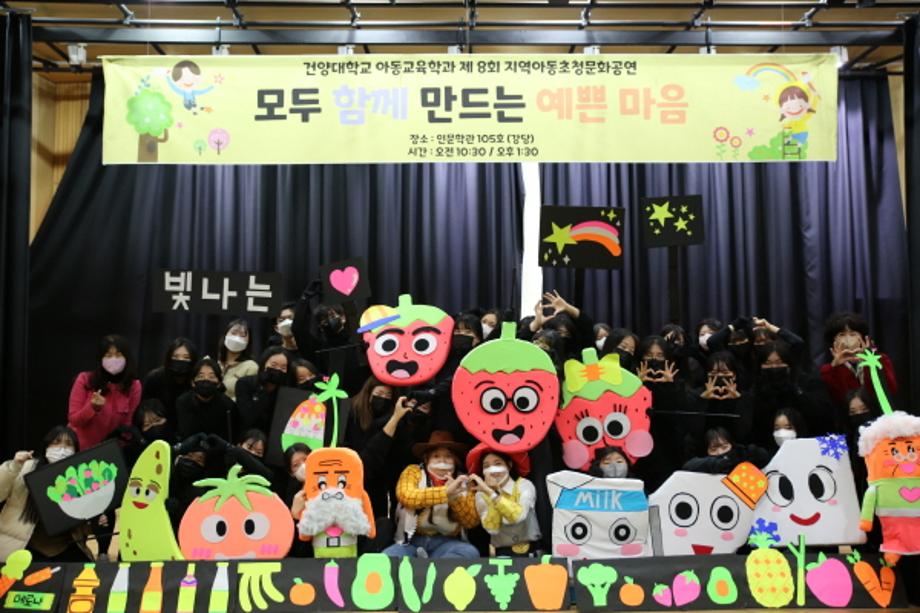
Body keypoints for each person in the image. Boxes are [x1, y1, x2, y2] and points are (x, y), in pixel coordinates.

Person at [0, 426, 92, 562]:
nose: (62, 449)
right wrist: (14, 466)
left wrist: (95, 520)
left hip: (64, 548)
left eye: (68, 444)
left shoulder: (80, 478)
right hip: (23, 547)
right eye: (56, 442)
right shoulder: (25, 468)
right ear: (46, 446)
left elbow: (85, 528)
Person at [384, 431, 480, 558]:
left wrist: (455, 498)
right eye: (436, 456)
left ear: (455, 460)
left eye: (448, 456)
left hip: (447, 542)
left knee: (469, 552)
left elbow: (471, 521)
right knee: (386, 558)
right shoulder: (413, 472)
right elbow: (406, 496)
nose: (442, 461)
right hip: (411, 542)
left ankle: (438, 568)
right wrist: (445, 493)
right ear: (426, 459)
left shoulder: (464, 480)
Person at [68, 334, 141, 451]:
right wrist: (92, 408)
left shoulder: (134, 386)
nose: (114, 359)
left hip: (111, 451)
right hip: (81, 450)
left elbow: (128, 425)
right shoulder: (85, 379)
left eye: (118, 355)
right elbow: (74, 420)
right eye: (108, 355)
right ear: (101, 359)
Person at [466, 446, 540, 556]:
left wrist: (493, 494)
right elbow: (492, 529)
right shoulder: (481, 495)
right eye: (486, 466)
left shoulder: (524, 485)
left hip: (532, 551)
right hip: (502, 554)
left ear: (509, 465)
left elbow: (518, 516)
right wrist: (490, 492)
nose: (492, 470)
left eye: (498, 464)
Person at [819, 311, 897, 408]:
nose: (848, 339)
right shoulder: (828, 370)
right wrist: (835, 367)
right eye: (841, 335)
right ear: (833, 342)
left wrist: (870, 361)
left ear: (863, 338)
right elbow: (833, 401)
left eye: (853, 334)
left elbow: (890, 390)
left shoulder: (880, 360)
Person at [175, 358, 238, 443]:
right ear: (193, 382)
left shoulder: (228, 405)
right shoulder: (183, 402)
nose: (206, 380)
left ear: (219, 383)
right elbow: (183, 433)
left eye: (211, 377)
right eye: (201, 376)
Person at [235, 347, 291, 433]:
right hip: (249, 433)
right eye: (273, 365)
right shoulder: (245, 383)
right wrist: (262, 388)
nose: (278, 370)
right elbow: (248, 418)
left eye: (283, 367)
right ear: (263, 364)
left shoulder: (286, 390)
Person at [142, 337, 198, 421]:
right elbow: (145, 409)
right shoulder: (154, 377)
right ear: (169, 358)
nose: (181, 360)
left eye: (186, 357)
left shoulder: (197, 380)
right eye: (176, 356)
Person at [682, 427, 769, 474]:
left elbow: (763, 456)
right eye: (713, 449)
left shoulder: (741, 455)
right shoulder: (703, 465)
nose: (720, 452)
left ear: (732, 445)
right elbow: (687, 467)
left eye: (724, 447)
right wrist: (716, 463)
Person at [345, 376, 394, 453]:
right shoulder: (355, 410)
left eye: (388, 395)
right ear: (369, 393)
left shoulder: (391, 415)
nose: (384, 398)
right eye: (379, 394)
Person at [218, 319, 259, 401]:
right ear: (225, 335)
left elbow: (249, 398)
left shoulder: (251, 367)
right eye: (234, 333)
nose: (237, 338)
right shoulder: (216, 363)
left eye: (242, 335)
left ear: (248, 341)